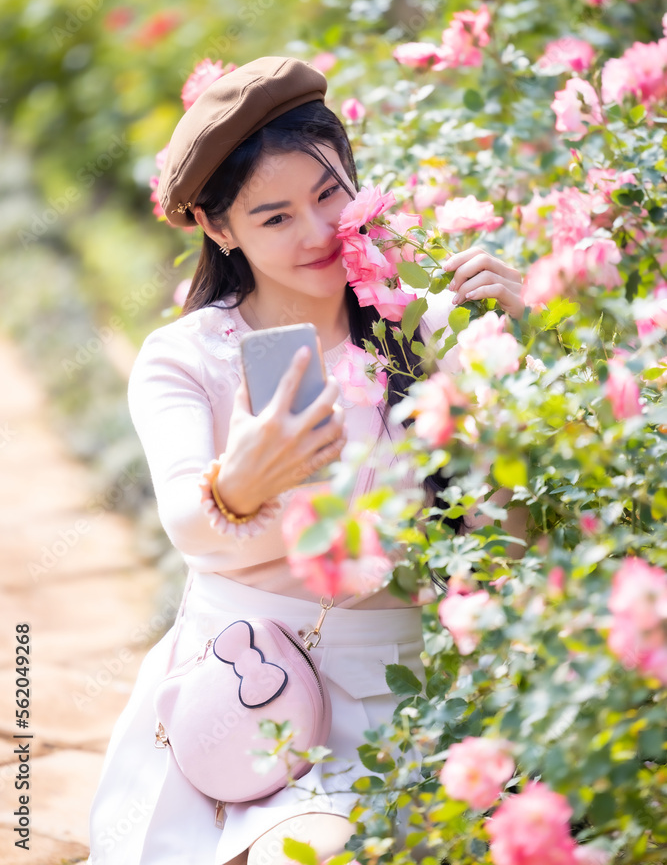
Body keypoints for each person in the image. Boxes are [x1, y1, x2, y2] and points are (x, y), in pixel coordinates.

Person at [86, 56, 525, 865]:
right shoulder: (188, 358)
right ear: (220, 229)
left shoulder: (428, 331)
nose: (318, 233)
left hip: (404, 700)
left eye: (329, 195)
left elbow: (511, 532)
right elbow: (185, 518)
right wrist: (239, 485)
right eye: (275, 216)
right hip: (245, 700)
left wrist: (534, 338)